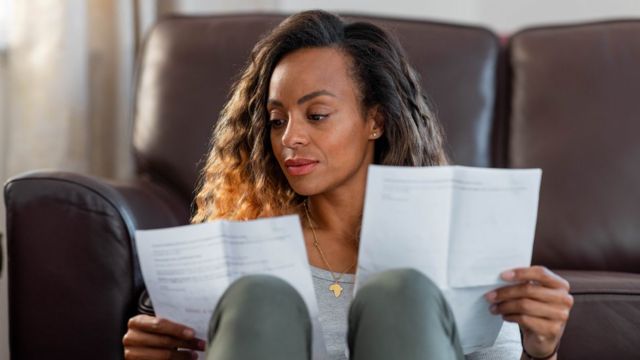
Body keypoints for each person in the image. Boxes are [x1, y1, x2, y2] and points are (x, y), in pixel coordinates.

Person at [123, 10, 573, 360]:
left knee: (401, 294)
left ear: (375, 120)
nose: (289, 138)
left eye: (316, 115)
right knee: (259, 294)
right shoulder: (245, 250)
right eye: (277, 120)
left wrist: (542, 350)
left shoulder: (455, 244)